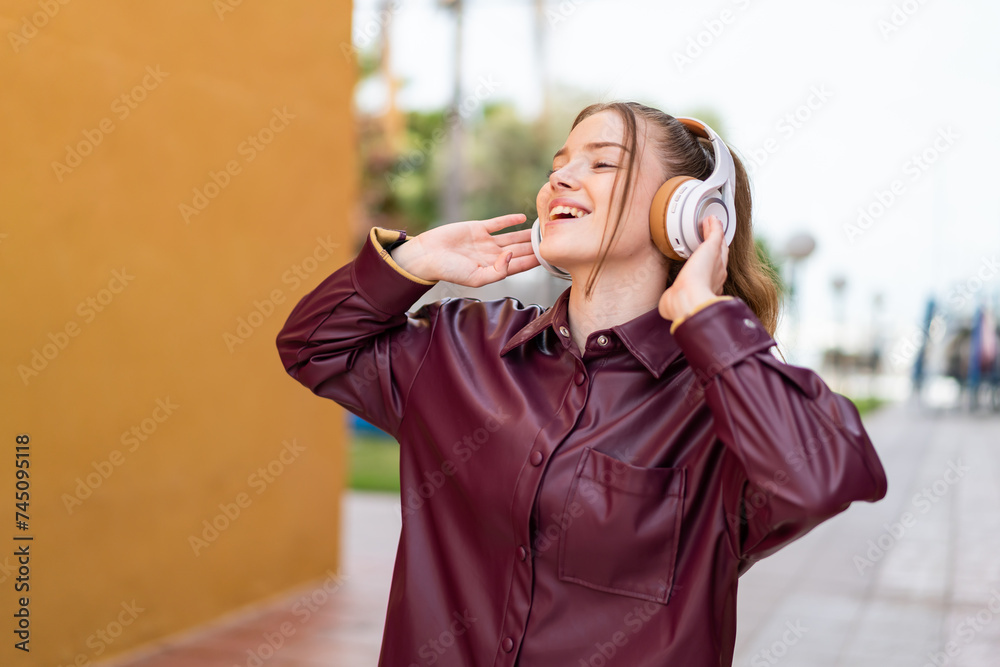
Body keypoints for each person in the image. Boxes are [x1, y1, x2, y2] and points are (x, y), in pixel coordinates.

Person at [276, 101, 888, 666]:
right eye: (558, 165)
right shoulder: (460, 347)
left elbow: (826, 473)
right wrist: (411, 265)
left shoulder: (719, 406)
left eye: (602, 162)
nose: (560, 180)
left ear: (685, 211)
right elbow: (313, 346)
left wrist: (705, 315)